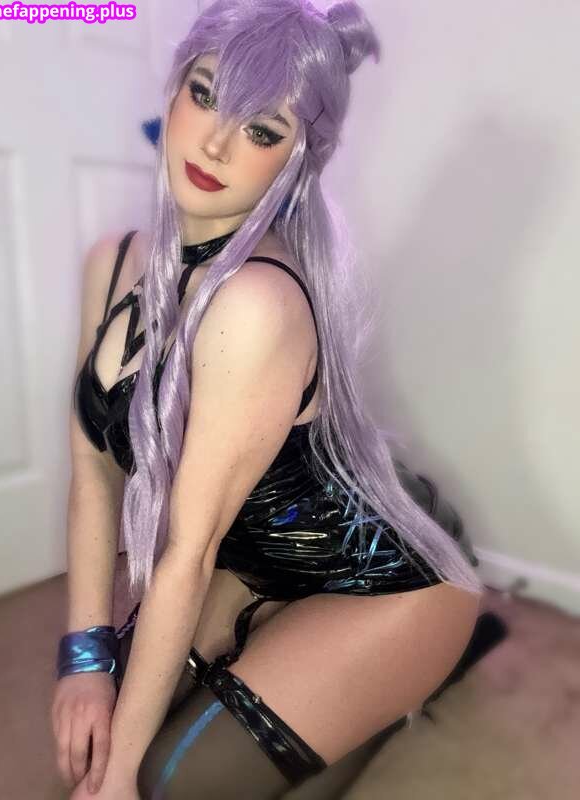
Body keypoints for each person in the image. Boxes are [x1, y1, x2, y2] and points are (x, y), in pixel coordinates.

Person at [51, 1, 486, 797]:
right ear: (173, 88)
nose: (216, 143)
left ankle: (409, 680)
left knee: (160, 781)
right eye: (207, 94)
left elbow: (186, 553)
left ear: (296, 160)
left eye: (261, 129)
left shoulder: (255, 304)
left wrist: (118, 781)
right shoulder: (111, 263)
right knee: (103, 732)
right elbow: (92, 470)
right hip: (252, 563)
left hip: (386, 583)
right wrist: (83, 655)